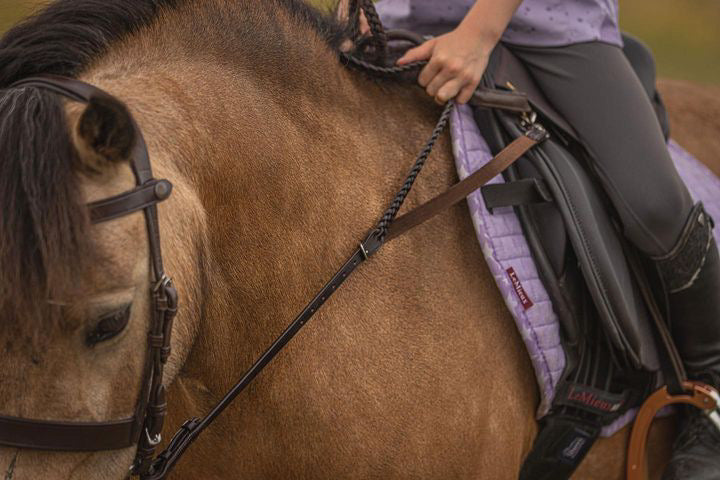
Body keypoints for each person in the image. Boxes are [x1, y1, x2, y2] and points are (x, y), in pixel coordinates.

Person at [365, 1, 720, 478]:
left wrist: (478, 33)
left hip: (549, 29)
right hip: (402, 19)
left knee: (655, 204)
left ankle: (713, 390)